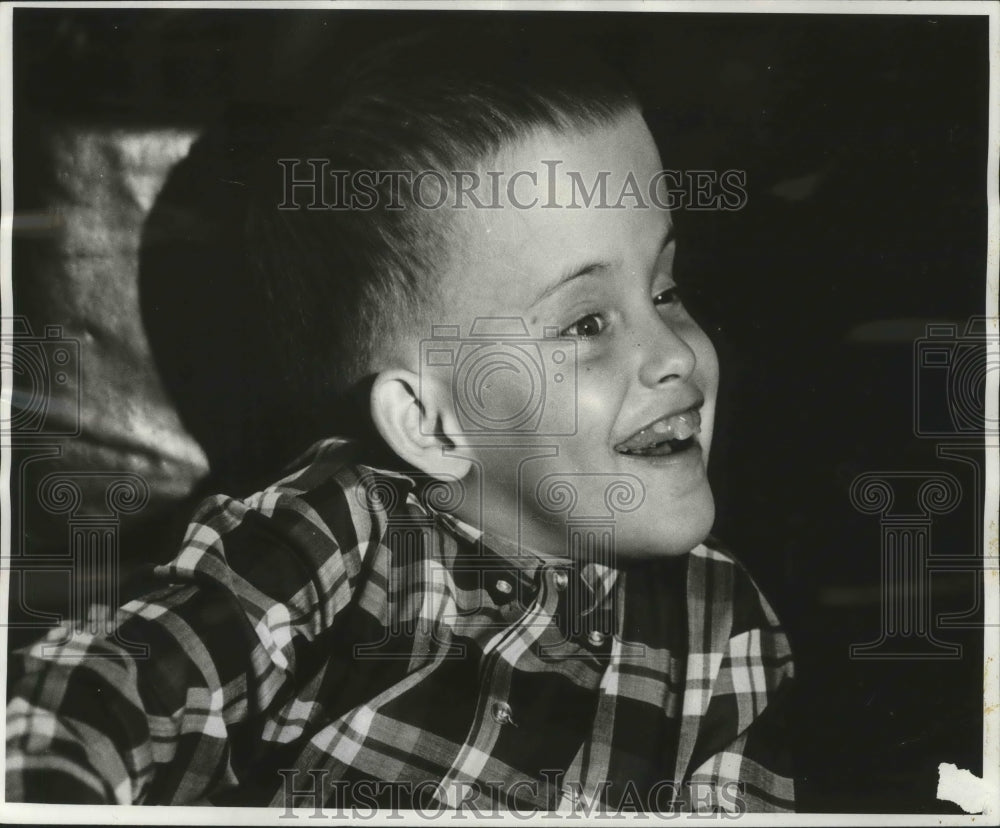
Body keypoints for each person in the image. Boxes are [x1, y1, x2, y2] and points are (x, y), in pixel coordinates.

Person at [5, 27, 795, 814]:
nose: (675, 355)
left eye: (664, 290)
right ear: (431, 424)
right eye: (585, 324)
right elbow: (84, 705)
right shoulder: (340, 537)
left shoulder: (723, 626)